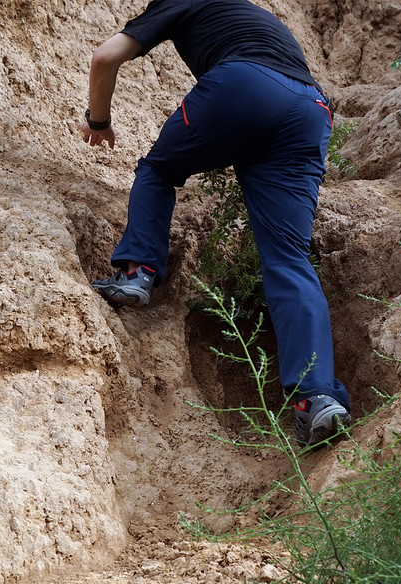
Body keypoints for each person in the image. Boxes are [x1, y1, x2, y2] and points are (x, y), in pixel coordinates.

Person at [78, 0, 350, 445]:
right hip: (311, 110)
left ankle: (136, 272)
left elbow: (105, 57)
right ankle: (317, 398)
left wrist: (99, 121)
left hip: (245, 85)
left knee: (159, 170)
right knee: (288, 260)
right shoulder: (251, 14)